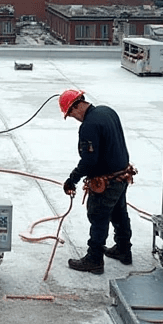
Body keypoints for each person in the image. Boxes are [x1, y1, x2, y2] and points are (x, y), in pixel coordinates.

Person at [59, 89, 136, 274]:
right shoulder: (106, 110)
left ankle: (94, 259)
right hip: (122, 175)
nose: (72, 118)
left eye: (70, 114)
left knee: (98, 216)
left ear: (76, 107)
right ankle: (124, 250)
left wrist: (72, 179)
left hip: (108, 181)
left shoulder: (89, 126)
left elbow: (89, 161)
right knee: (119, 212)